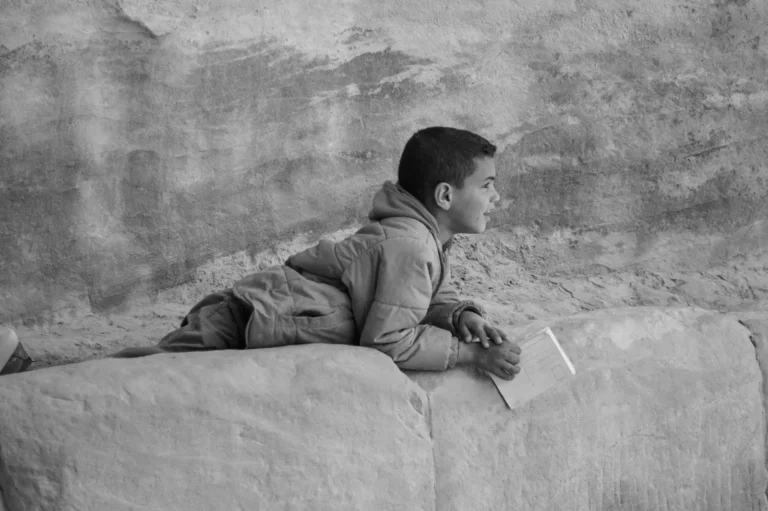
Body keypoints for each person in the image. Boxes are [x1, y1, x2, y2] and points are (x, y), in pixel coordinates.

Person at [114, 126, 522, 380]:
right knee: (130, 375)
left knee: (138, 379)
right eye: (486, 185)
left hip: (255, 315)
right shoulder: (411, 245)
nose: (496, 196)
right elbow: (389, 342)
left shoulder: (424, 238)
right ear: (446, 195)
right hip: (243, 319)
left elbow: (429, 294)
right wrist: (469, 355)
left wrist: (460, 316)